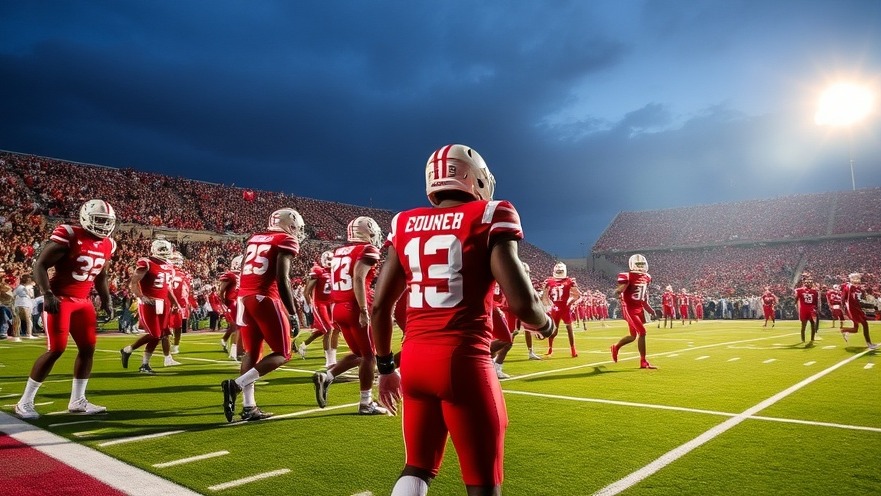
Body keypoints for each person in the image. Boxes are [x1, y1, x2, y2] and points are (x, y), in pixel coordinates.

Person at [370, 144, 555, 496]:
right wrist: (545, 324)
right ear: (476, 178)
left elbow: (380, 307)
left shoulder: (403, 222)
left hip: (415, 361)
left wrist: (385, 367)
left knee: (418, 466)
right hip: (464, 362)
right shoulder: (491, 213)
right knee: (483, 481)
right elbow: (522, 302)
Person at [15, 200, 117, 419]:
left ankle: (78, 400)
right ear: (86, 217)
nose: (103, 225)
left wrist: (106, 299)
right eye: (99, 220)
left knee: (88, 349)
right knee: (56, 349)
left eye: (106, 221)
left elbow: (102, 276)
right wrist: (47, 293)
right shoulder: (70, 234)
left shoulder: (109, 243)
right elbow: (40, 264)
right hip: (61, 299)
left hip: (83, 302)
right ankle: (24, 402)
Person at [220, 208, 305, 422]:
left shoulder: (255, 238)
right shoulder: (285, 239)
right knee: (283, 353)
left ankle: (249, 406)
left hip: (244, 297)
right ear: (290, 224)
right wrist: (293, 312)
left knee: (252, 352)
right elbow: (282, 278)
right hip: (265, 297)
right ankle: (236, 385)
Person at [311, 216, 388, 415]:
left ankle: (327, 376)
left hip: (338, 307)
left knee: (359, 354)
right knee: (369, 356)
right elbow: (359, 278)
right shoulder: (367, 249)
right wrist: (363, 310)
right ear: (368, 231)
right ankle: (366, 402)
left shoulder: (338, 251)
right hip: (354, 306)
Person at [119, 239, 181, 374]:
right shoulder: (147, 263)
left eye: (165, 249)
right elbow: (133, 282)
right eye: (162, 249)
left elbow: (167, 288)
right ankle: (128, 349)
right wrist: (141, 297)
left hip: (163, 303)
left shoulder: (169, 265)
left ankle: (144, 364)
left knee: (158, 335)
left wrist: (175, 303)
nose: (164, 251)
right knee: (155, 334)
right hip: (149, 302)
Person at [610, 254, 657, 369]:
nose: (640, 267)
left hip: (639, 307)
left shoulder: (647, 277)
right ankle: (643, 361)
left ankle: (616, 347)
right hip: (629, 308)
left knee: (633, 336)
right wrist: (618, 291)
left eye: (641, 264)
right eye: (638, 264)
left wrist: (651, 311)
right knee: (642, 332)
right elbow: (619, 290)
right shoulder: (627, 276)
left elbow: (644, 298)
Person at [298, 250, 336, 367]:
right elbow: (306, 291)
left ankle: (303, 345)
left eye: (331, 259)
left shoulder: (333, 272)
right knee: (328, 329)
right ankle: (329, 362)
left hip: (331, 304)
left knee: (323, 330)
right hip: (320, 304)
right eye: (328, 259)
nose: (330, 262)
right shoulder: (318, 271)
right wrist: (310, 306)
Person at [541, 262, 582, 357]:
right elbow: (578, 294)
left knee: (564, 329)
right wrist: (571, 302)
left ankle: (569, 350)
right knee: (562, 330)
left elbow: (545, 296)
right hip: (562, 307)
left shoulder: (549, 281)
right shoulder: (569, 281)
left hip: (556, 308)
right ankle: (570, 350)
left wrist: (548, 306)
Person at [839, 272, 878, 349]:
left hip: (857, 309)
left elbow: (859, 299)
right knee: (865, 324)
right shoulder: (848, 287)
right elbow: (843, 298)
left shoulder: (857, 288)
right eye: (856, 278)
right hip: (852, 310)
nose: (858, 280)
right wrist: (844, 310)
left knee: (856, 329)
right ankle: (869, 343)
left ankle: (844, 330)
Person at [218, 255, 242, 360]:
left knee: (235, 326)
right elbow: (221, 290)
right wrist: (223, 302)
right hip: (233, 302)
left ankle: (225, 340)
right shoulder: (231, 275)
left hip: (240, 301)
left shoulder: (242, 275)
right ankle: (233, 351)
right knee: (237, 326)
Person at [168, 251, 192, 355]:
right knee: (177, 326)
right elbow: (185, 292)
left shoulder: (167, 272)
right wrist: (184, 304)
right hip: (178, 303)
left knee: (165, 326)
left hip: (166, 302)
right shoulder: (184, 275)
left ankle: (166, 344)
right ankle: (175, 346)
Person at [794, 273, 819, 345]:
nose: (809, 284)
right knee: (809, 325)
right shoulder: (814, 291)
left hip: (806, 310)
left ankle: (806, 340)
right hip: (808, 310)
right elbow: (816, 303)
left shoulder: (800, 290)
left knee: (807, 325)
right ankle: (808, 340)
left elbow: (795, 300)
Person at [12, 274, 36, 339]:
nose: (30, 281)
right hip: (24, 305)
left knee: (18, 321)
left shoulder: (21, 287)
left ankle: (17, 335)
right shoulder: (24, 287)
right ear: (27, 280)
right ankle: (28, 334)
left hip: (20, 305)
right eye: (29, 280)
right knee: (28, 320)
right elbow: (31, 296)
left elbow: (13, 295)